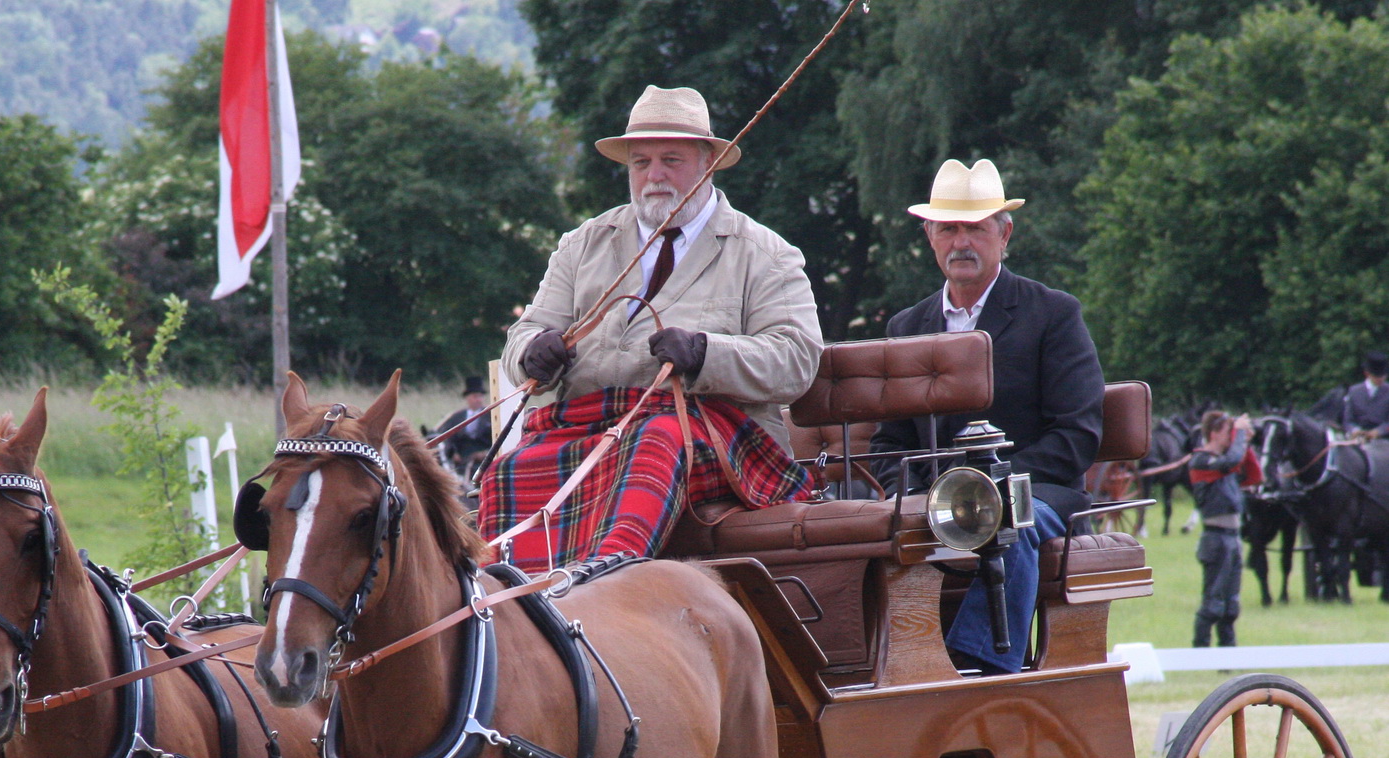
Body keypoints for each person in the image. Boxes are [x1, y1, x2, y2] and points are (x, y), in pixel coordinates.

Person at [478, 85, 820, 572]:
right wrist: (532, 351)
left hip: (712, 436)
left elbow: (796, 360)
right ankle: (509, 597)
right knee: (508, 469)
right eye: (641, 163)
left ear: (707, 163)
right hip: (590, 426)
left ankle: (601, 579)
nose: (654, 176)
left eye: (670, 160)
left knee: (654, 443)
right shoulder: (581, 245)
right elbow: (526, 331)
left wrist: (704, 353)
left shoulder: (765, 254)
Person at [869, 158, 1104, 674]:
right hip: (933, 501)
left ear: (1005, 234)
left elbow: (1076, 435)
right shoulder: (907, 326)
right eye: (948, 229)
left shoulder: (1053, 313)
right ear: (929, 237)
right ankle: (880, 667)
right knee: (864, 535)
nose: (962, 242)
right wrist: (911, 496)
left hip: (1037, 494)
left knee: (1003, 520)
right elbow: (888, 443)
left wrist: (983, 490)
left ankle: (981, 667)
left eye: (975, 228)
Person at [1189, 410, 1253, 648]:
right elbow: (1232, 461)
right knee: (1212, 605)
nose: (1231, 436)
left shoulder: (1225, 462)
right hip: (1216, 539)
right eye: (1229, 432)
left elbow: (1252, 474)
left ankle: (1228, 657)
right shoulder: (1202, 460)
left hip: (1233, 538)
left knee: (1230, 606)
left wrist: (1244, 441)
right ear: (1214, 433)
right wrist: (1240, 436)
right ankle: (1200, 655)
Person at [437, 376, 494, 478]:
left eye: (480, 396)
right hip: (461, 463)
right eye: (475, 396)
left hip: (485, 463)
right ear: (467, 397)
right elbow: (447, 437)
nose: (478, 400)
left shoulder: (491, 415)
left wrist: (486, 453)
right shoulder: (456, 417)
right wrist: (453, 453)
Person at [1342, 351, 1389, 438]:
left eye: (1383, 376)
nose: (1381, 379)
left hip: (1383, 439)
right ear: (1367, 374)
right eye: (1377, 376)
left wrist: (1379, 431)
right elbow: (1348, 421)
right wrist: (1354, 430)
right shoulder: (1354, 391)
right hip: (1358, 438)